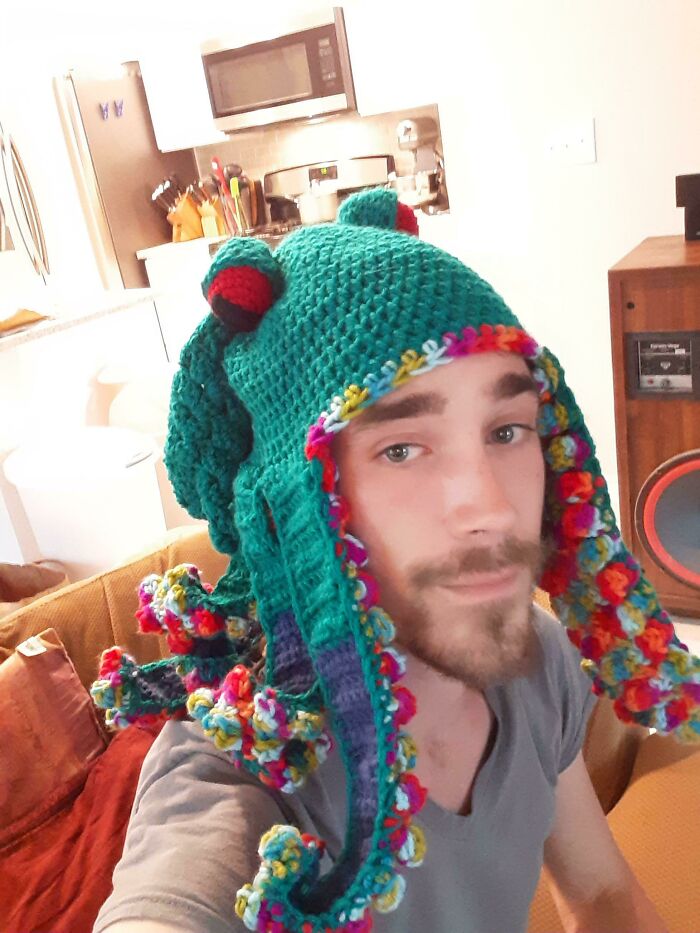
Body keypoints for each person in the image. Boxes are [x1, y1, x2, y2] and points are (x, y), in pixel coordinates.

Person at [92, 187, 697, 933]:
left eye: (507, 429)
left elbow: (604, 897)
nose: (493, 507)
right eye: (402, 447)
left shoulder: (536, 658)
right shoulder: (234, 768)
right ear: (300, 507)